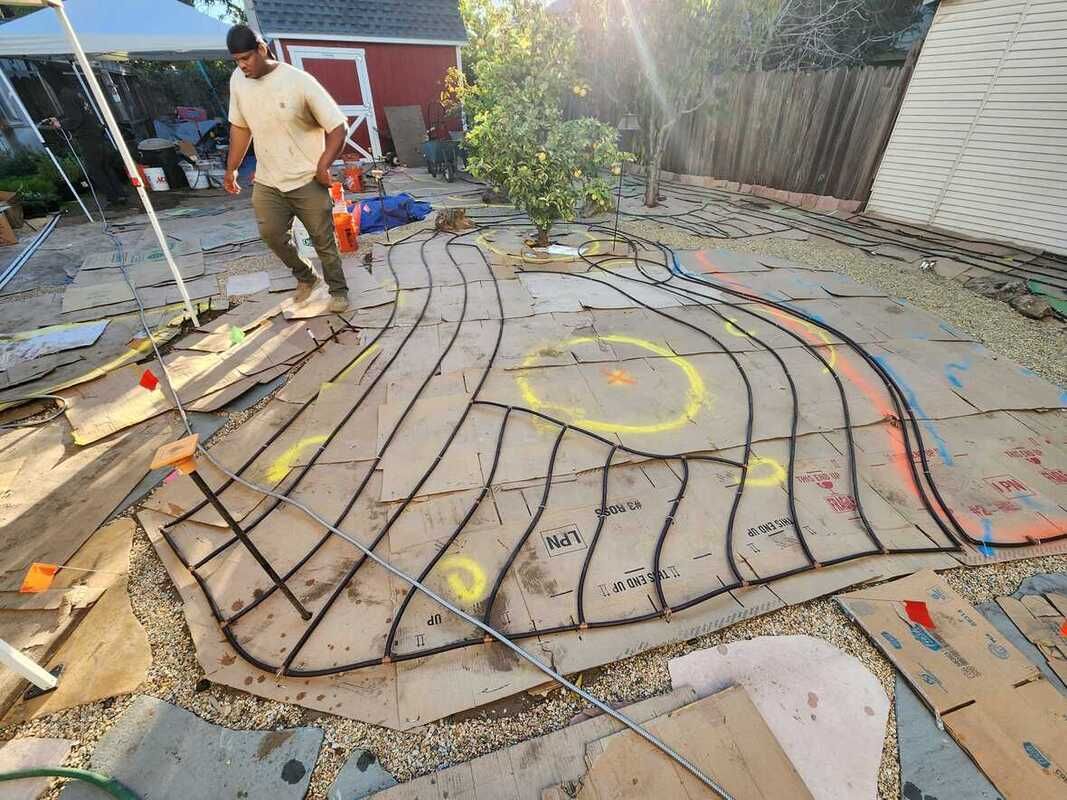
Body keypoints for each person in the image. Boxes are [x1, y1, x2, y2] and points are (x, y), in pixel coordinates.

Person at [223, 24, 350, 313]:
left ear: (262, 49)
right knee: (270, 233)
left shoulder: (298, 82)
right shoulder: (238, 81)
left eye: (246, 58)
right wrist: (231, 168)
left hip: (306, 178)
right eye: (237, 61)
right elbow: (241, 128)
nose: (242, 66)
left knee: (323, 240)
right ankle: (307, 277)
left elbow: (338, 127)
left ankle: (339, 290)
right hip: (269, 179)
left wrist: (323, 165)